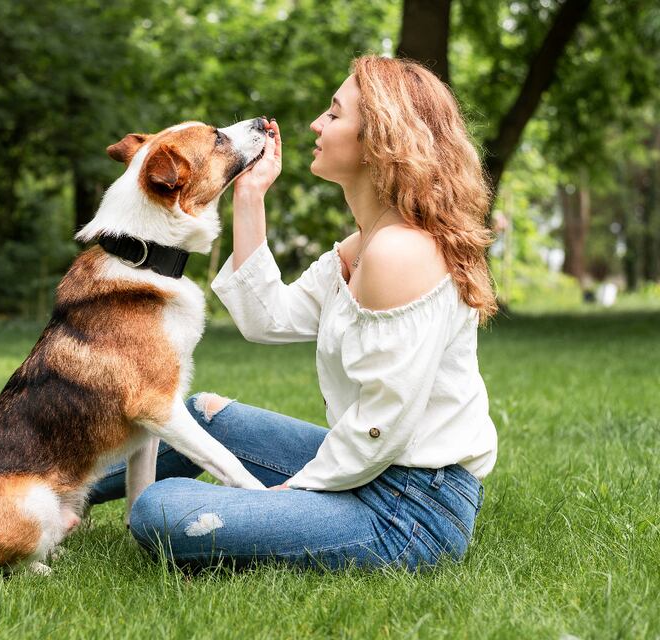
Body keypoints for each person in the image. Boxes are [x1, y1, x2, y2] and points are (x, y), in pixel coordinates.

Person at [89, 56, 499, 572]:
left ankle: (67, 495)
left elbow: (383, 424)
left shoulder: (400, 254)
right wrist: (250, 194)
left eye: (334, 113)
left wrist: (292, 493)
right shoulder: (366, 243)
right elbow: (269, 319)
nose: (315, 125)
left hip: (409, 510)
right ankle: (57, 488)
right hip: (375, 472)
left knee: (159, 509)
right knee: (201, 415)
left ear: (379, 141)